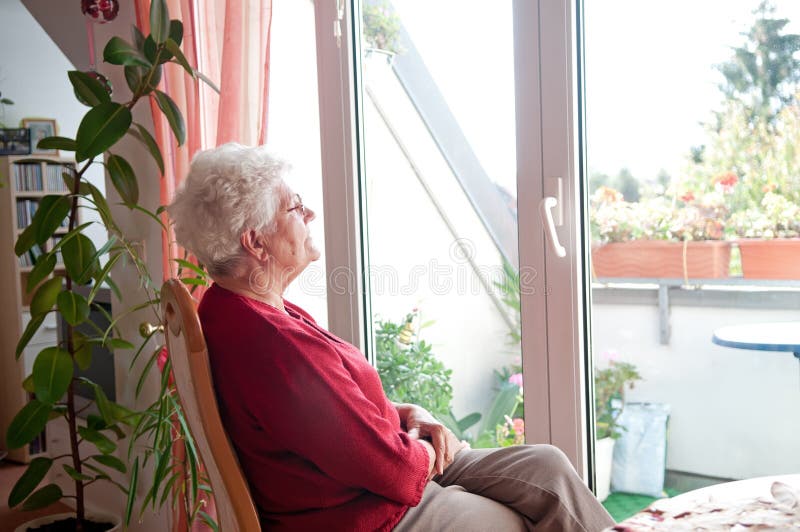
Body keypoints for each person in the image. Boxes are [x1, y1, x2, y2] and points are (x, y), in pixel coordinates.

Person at [168, 143, 615, 531]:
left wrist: (408, 415)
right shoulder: (274, 346)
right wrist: (426, 445)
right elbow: (397, 472)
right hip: (368, 513)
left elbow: (329, 418)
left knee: (547, 466)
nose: (310, 214)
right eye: (295, 207)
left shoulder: (231, 308)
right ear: (256, 243)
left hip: (376, 477)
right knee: (524, 521)